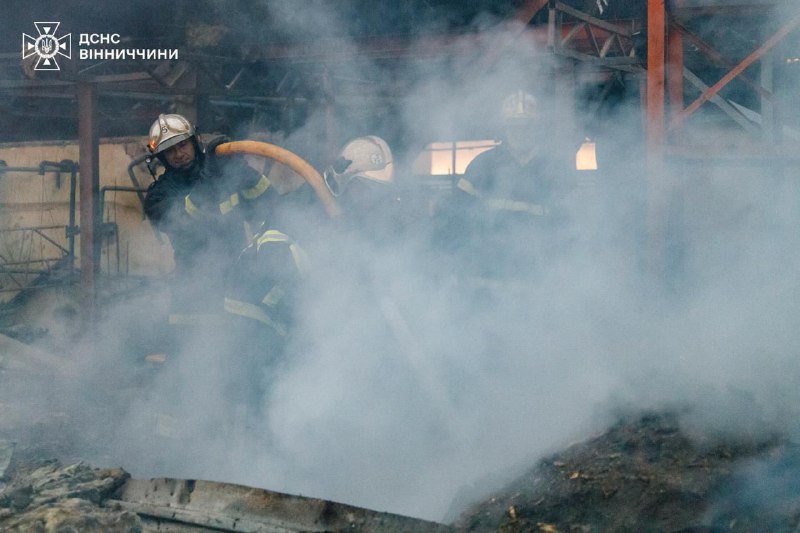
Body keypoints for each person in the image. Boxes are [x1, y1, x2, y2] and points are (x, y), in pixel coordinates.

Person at [143, 113, 276, 327]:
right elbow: (188, 217)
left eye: (183, 145)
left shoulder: (223, 170)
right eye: (170, 151)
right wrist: (212, 174)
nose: (178, 154)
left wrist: (239, 171)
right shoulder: (158, 196)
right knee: (195, 357)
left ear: (194, 142)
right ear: (161, 157)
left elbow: (268, 203)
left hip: (237, 283)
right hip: (194, 294)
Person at [435, 90, 578, 284]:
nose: (521, 133)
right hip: (488, 278)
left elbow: (570, 224)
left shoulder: (553, 169)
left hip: (540, 280)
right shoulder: (484, 166)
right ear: (504, 128)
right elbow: (456, 216)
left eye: (527, 126)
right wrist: (453, 262)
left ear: (537, 128)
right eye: (514, 126)